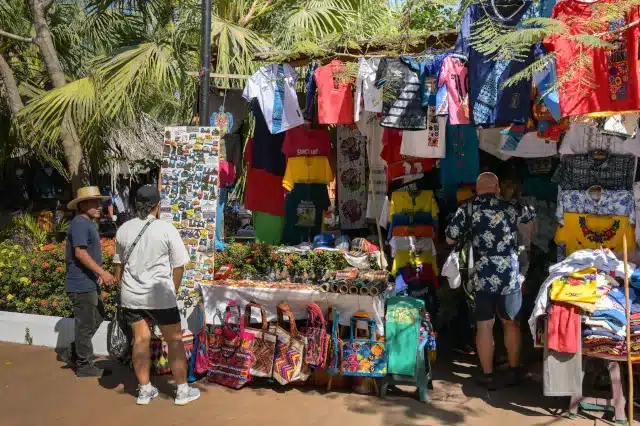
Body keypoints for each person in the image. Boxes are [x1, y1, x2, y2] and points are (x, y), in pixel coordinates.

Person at [445, 172, 535, 390]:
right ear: (497, 188)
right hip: (509, 276)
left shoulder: (467, 209)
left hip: (482, 276)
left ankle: (488, 375)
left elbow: (450, 238)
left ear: (477, 190)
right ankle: (514, 371)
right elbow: (530, 216)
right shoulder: (510, 207)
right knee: (511, 323)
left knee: (484, 326)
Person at [113, 185, 200, 406]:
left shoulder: (123, 229)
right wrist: (174, 289)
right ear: (157, 205)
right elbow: (179, 265)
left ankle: (144, 390)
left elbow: (118, 268)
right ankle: (182, 390)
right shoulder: (166, 229)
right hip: (161, 295)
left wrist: (123, 290)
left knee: (140, 340)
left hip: (131, 296)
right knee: (175, 340)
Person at [64, 186, 116, 377]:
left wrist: (96, 276)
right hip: (80, 283)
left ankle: (76, 352)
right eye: (94, 203)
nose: (99, 206)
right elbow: (80, 252)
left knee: (98, 314)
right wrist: (102, 272)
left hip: (88, 281)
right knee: (85, 324)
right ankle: (84, 365)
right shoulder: (79, 223)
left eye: (99, 202)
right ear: (82, 204)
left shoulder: (87, 223)